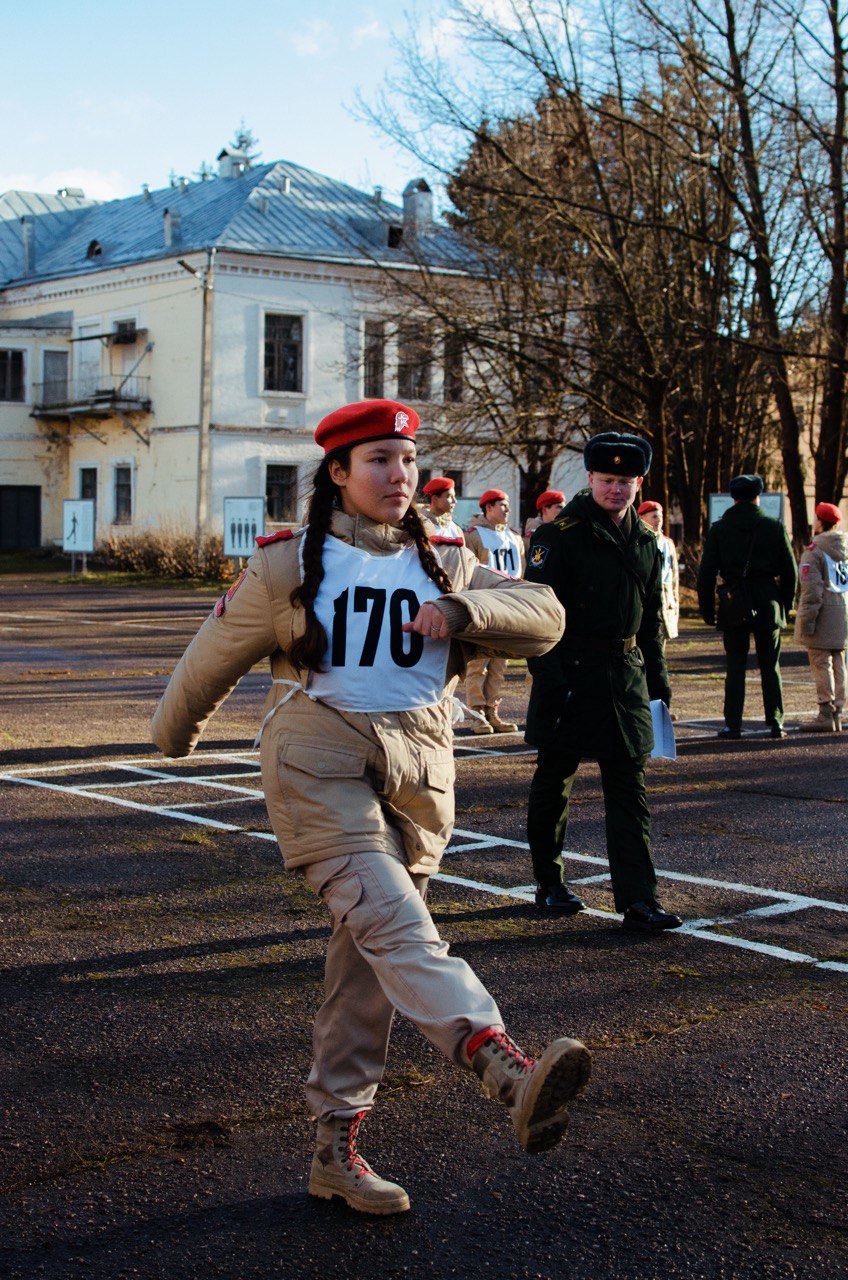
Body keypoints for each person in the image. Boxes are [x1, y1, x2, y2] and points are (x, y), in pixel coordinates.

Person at [151, 400, 590, 1216]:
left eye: (406, 459)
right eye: (379, 460)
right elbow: (210, 654)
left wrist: (462, 612)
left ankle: (334, 1150)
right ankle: (503, 1064)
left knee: (369, 967)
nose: (398, 475)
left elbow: (546, 614)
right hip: (317, 768)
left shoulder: (448, 558)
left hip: (420, 779)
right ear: (340, 474)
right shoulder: (289, 564)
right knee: (397, 927)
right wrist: (171, 733)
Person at [524, 432, 682, 932]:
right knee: (555, 779)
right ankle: (549, 882)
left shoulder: (646, 540)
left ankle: (639, 900)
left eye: (627, 481)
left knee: (629, 787)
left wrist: (658, 684)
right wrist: (550, 681)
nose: (617, 489)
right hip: (569, 671)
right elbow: (535, 615)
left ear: (640, 482)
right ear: (590, 478)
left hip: (625, 676)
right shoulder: (560, 534)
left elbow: (651, 619)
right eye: (608, 479)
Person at [697, 474, 798, 739]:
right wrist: (784, 605)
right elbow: (790, 573)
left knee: (735, 666)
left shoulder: (719, 529)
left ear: (733, 497)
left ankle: (733, 723)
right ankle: (776, 722)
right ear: (758, 496)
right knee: (770, 665)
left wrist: (707, 609)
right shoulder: (773, 527)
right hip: (767, 599)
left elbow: (706, 573)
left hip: (733, 600)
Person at [464, 489, 526, 734]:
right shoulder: (475, 535)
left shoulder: (514, 537)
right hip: (484, 602)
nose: (507, 510)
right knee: (479, 662)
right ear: (488, 508)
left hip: (509, 604)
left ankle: (493, 709)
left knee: (501, 662)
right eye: (502, 505)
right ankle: (476, 712)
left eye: (507, 505)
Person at [794, 501, 847, 733]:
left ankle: (825, 712)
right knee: (839, 662)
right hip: (843, 613)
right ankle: (838, 712)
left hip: (823, 613)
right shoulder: (844, 549)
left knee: (820, 662)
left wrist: (806, 620)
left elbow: (812, 591)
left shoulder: (814, 553)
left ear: (820, 522)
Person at [637, 500, 680, 640]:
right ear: (642, 518)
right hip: (645, 599)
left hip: (665, 598)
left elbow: (674, 577)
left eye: (660, 517)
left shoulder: (668, 544)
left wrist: (674, 599)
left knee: (662, 641)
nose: (658, 521)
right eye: (654, 517)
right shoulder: (637, 542)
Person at [419, 475, 465, 540]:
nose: (455, 501)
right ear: (435, 499)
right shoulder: (421, 527)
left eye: (454, 496)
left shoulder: (456, 529)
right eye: (449, 496)